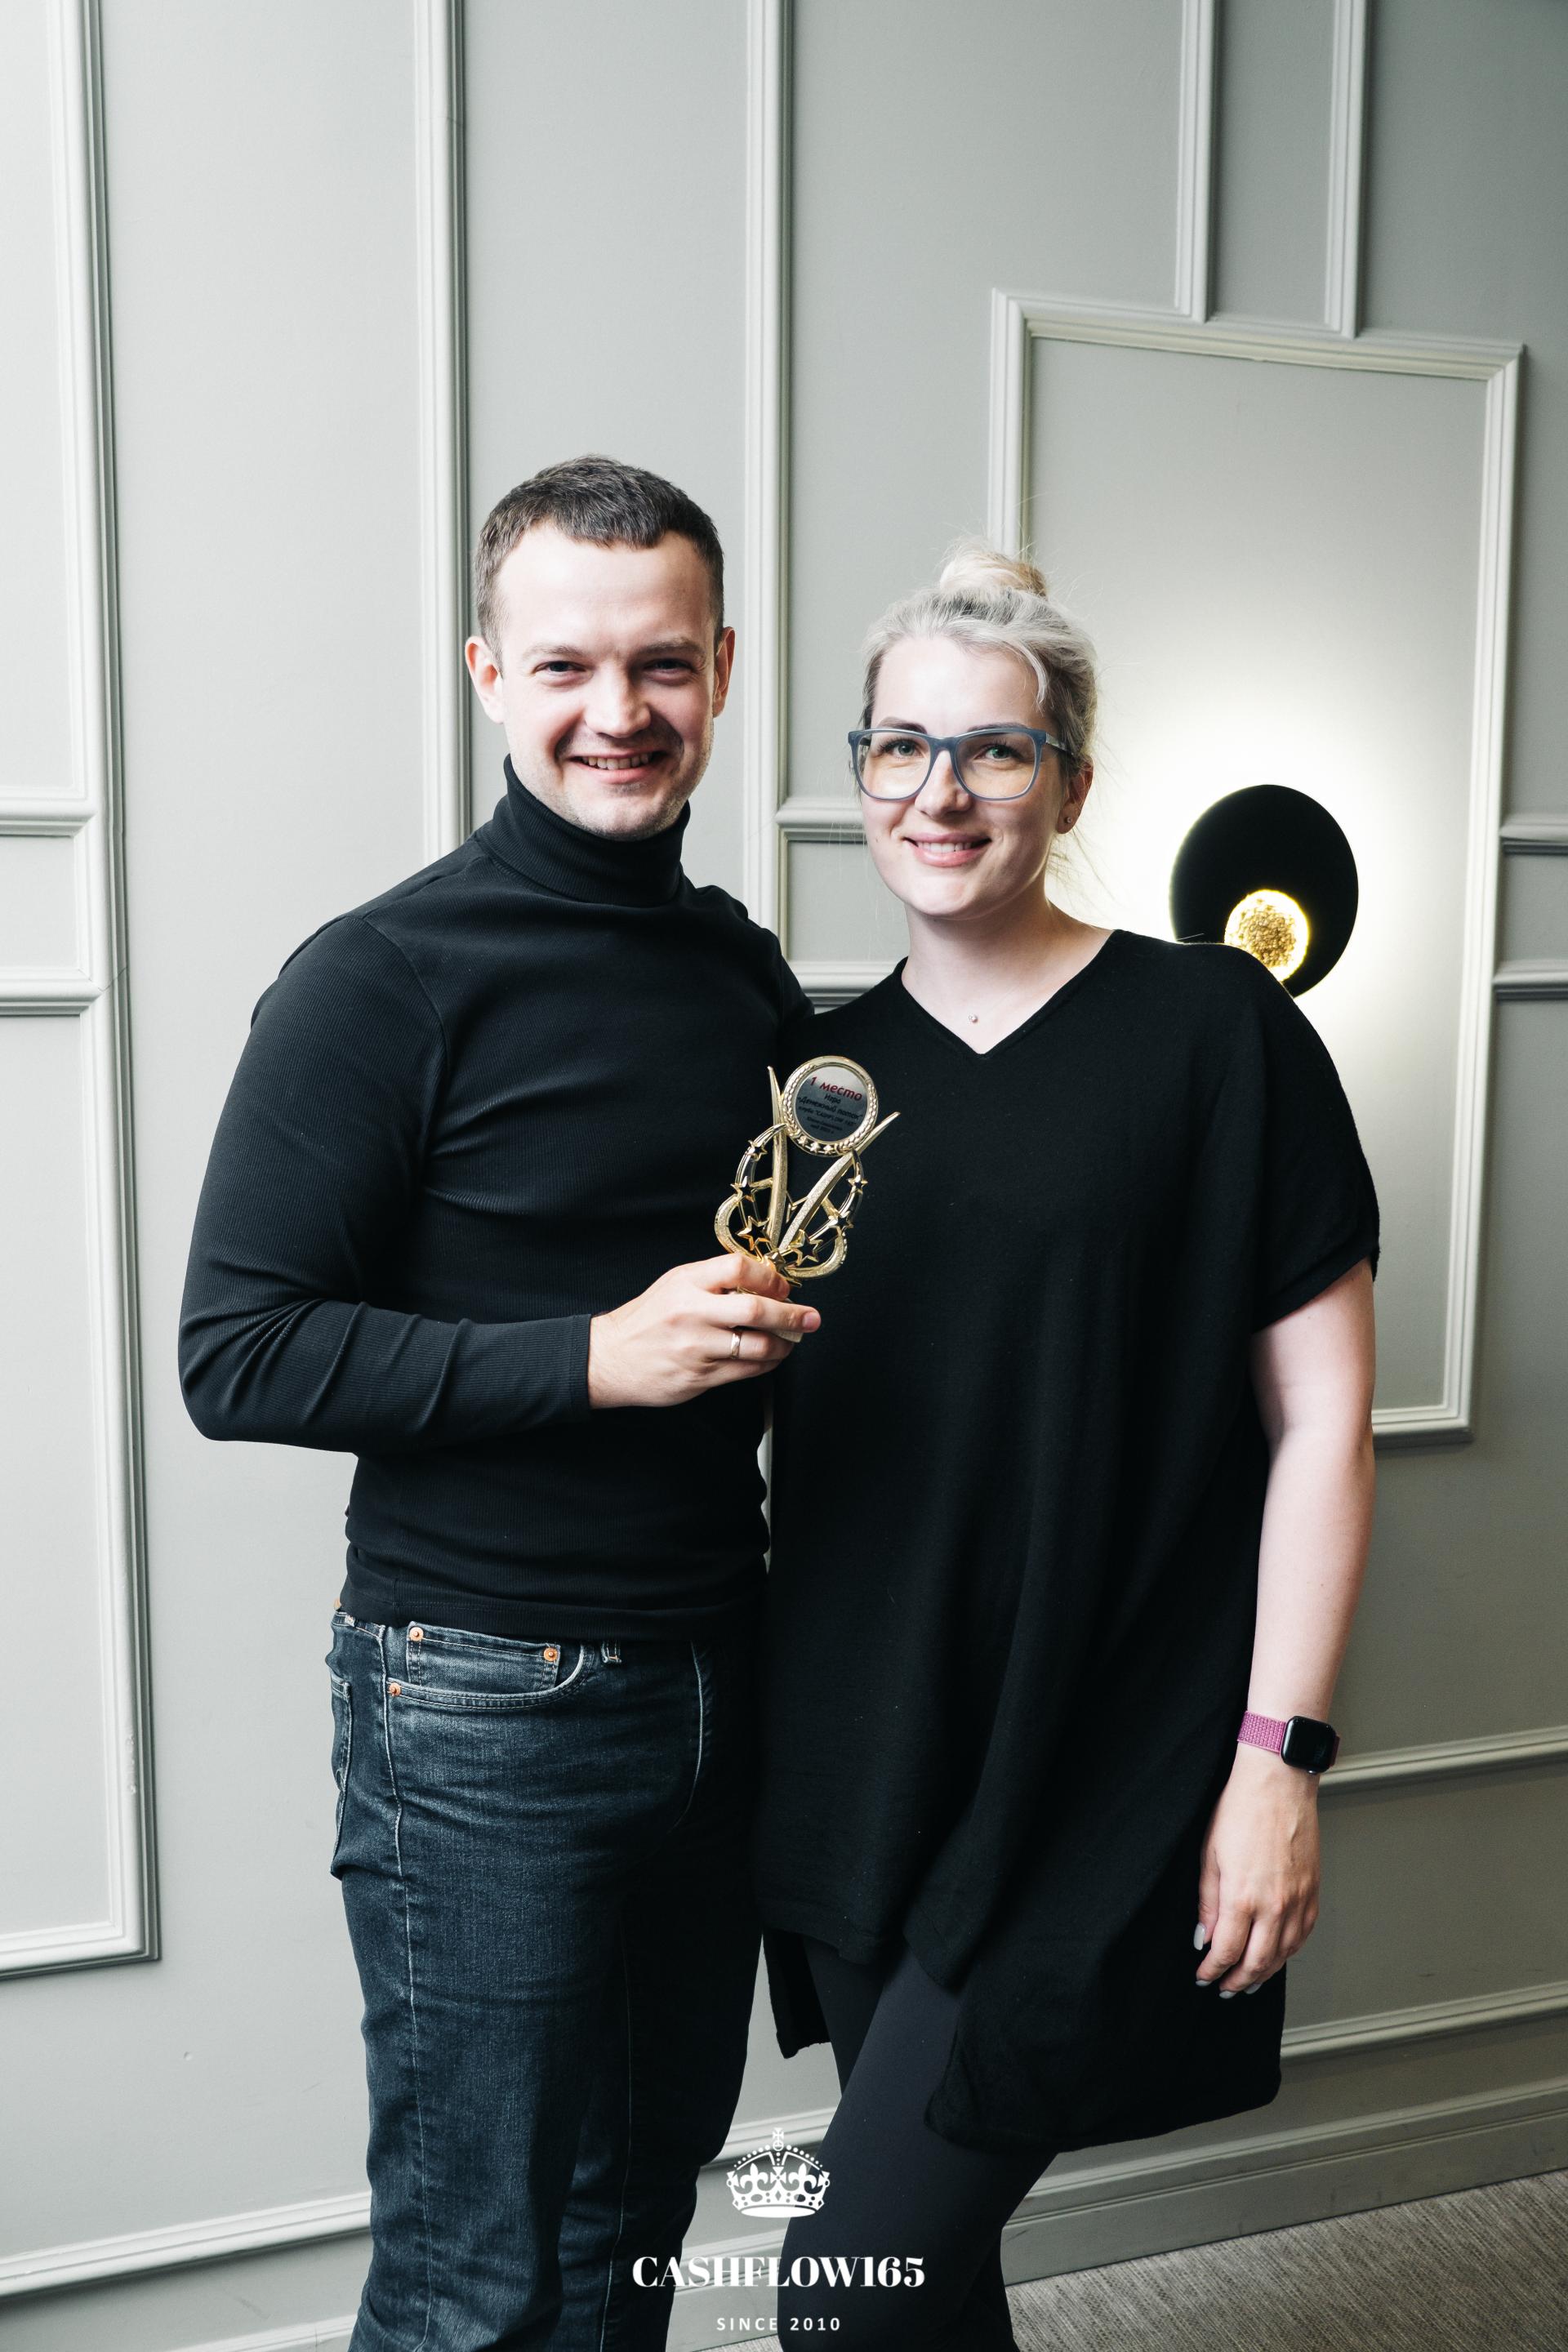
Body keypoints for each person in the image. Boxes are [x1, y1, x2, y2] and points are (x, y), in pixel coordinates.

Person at [178, 455, 822, 2351]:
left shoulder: (744, 974)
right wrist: (593, 1357)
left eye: (662, 664)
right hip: (479, 1702)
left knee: (633, 2225)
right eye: (564, 667)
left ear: (723, 666)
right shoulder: (381, 976)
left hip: (719, 1668)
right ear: (487, 675)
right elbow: (238, 1350)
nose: (618, 711)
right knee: (475, 2279)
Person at [753, 545, 1380, 2349]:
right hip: (865, 1741)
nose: (941, 792)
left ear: (1073, 786)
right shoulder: (810, 1080)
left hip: (1118, 1747)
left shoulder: (1217, 1032)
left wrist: (1281, 1760)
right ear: (860, 772)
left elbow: (1324, 1422)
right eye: (901, 746)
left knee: (847, 2300)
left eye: (997, 751)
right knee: (931, 2289)